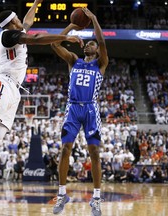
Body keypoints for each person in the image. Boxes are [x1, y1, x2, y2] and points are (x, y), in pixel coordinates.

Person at [0, 0, 83, 207]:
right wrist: (65, 36)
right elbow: (38, 39)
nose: (21, 20)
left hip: (14, 90)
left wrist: (37, 2)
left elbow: (29, 21)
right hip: (3, 83)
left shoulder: (16, 30)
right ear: (12, 21)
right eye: (17, 18)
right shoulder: (8, 35)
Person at [50, 7, 108, 216]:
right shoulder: (74, 60)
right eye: (89, 42)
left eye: (93, 43)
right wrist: (72, 26)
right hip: (73, 108)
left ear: (97, 50)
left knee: (94, 152)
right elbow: (54, 43)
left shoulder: (101, 64)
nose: (91, 44)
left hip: (91, 109)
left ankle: (97, 198)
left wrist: (93, 20)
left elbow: (102, 41)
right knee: (65, 148)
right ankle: (62, 193)